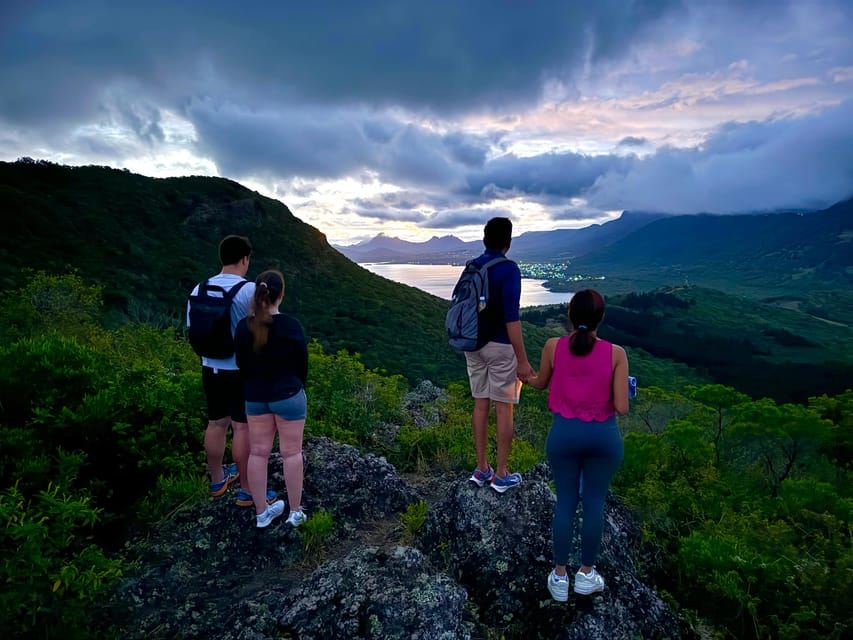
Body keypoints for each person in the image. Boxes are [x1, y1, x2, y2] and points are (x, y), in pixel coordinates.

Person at [525, 289, 628, 601]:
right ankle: (586, 574)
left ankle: (559, 577)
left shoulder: (552, 346)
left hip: (564, 436)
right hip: (603, 438)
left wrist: (525, 376)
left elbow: (539, 383)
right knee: (594, 502)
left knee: (566, 502)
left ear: (569, 315)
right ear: (601, 317)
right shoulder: (616, 354)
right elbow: (621, 406)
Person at [234, 270, 308, 528]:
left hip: (255, 397)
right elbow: (302, 365)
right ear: (281, 294)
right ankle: (295, 512)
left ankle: (262, 513)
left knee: (258, 453)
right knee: (291, 453)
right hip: (288, 395)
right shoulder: (291, 326)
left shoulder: (243, 327)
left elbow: (241, 364)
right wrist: (296, 386)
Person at [465, 217, 533, 493]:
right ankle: (501, 474)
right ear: (508, 242)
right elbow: (511, 319)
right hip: (500, 347)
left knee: (480, 404)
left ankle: (482, 468)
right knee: (504, 408)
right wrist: (523, 360)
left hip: (473, 345)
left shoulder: (473, 266)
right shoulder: (509, 270)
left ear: (484, 240)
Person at [187, 235, 256, 502]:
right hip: (239, 370)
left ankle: (217, 480)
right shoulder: (249, 290)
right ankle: (248, 488)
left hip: (209, 367)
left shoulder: (199, 289)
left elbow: (192, 328)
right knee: (242, 427)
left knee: (216, 423)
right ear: (244, 259)